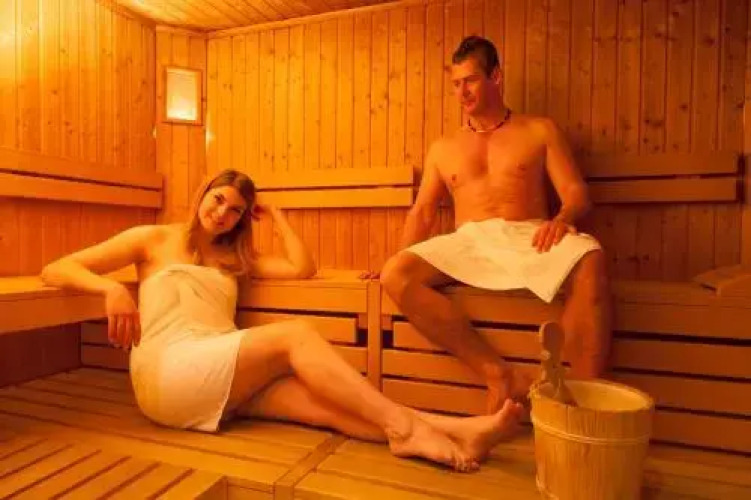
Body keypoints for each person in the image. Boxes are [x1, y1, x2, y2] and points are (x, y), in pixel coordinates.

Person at [40, 168, 525, 472]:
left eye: (235, 211)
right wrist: (110, 289)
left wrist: (278, 216)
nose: (223, 214)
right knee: (296, 336)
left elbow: (301, 268)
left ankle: (458, 430)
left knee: (328, 409)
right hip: (168, 371)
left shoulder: (236, 259)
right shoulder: (151, 239)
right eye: (218, 199)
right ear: (203, 193)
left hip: (216, 371)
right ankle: (406, 429)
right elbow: (56, 268)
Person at [380, 36, 612, 415]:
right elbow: (422, 213)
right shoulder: (444, 147)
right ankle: (497, 373)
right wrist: (397, 256)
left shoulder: (538, 130)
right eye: (456, 84)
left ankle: (582, 403)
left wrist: (562, 219)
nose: (462, 92)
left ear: (496, 77)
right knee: (395, 274)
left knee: (592, 259)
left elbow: (575, 192)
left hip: (528, 235)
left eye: (470, 80)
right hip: (469, 241)